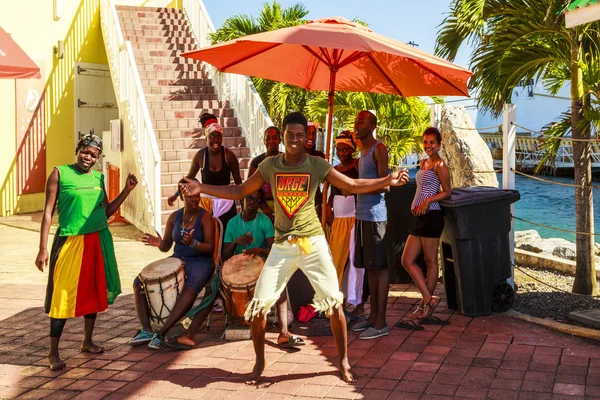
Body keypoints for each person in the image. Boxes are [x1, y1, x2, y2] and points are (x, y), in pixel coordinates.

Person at [179, 111, 409, 384]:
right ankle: (260, 363)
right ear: (284, 136)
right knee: (260, 307)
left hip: (313, 243)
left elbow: (353, 184)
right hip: (282, 245)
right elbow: (240, 191)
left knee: (334, 304)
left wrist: (386, 180)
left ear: (306, 137)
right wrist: (200, 187)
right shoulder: (270, 165)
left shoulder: (316, 165)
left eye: (301, 135)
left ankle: (344, 360)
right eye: (290, 135)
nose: (295, 140)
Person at [35, 134, 138, 371]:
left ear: (98, 158)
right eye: (85, 151)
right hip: (70, 241)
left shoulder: (98, 178)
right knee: (62, 295)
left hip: (97, 240)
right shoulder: (59, 173)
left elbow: (107, 210)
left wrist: (127, 190)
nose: (88, 157)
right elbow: (48, 213)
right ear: (78, 149)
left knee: (93, 289)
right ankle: (53, 353)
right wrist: (42, 249)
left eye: (94, 155)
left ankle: (87, 341)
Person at [130, 187, 215, 349]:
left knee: (190, 288)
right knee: (139, 281)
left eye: (196, 196)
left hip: (201, 261)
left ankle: (161, 333)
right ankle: (147, 329)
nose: (194, 200)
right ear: (182, 196)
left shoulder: (205, 217)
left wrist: (193, 243)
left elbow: (210, 248)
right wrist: (159, 243)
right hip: (177, 258)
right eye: (189, 197)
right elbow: (167, 246)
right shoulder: (174, 217)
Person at [397, 127, 451, 327]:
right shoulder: (423, 163)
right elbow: (420, 188)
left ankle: (425, 306)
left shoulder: (440, 165)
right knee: (407, 260)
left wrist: (427, 201)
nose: (428, 146)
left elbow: (447, 192)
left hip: (432, 215)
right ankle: (428, 299)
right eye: (425, 142)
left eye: (432, 142)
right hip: (419, 217)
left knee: (430, 262)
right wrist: (417, 203)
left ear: (439, 144)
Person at [350, 110, 393, 340]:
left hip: (376, 216)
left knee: (379, 268)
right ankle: (373, 317)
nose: (356, 124)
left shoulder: (379, 149)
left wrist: (358, 186)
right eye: (356, 120)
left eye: (361, 121)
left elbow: (386, 185)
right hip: (361, 216)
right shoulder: (362, 151)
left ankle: (382, 322)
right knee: (369, 268)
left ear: (372, 126)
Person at [167, 113, 242, 230]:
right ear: (206, 138)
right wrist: (176, 194)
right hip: (206, 203)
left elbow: (239, 185)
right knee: (207, 237)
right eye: (212, 136)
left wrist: (243, 210)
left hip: (226, 202)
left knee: (227, 238)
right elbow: (189, 178)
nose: (216, 140)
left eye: (219, 136)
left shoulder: (229, 155)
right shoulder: (200, 156)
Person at [248, 126, 282, 220]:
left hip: (283, 207)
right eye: (268, 138)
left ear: (280, 140)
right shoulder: (256, 162)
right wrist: (264, 207)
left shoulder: (286, 160)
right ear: (264, 141)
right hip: (262, 206)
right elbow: (250, 190)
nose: (271, 141)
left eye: (275, 138)